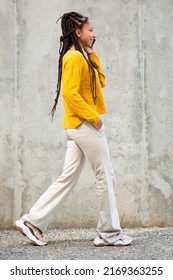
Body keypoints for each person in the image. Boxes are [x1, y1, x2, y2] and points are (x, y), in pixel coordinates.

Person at [15, 12, 133, 247]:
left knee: (66, 178)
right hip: (84, 125)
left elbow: (101, 82)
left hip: (75, 126)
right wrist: (94, 118)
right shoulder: (74, 58)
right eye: (90, 30)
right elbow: (70, 94)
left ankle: (32, 222)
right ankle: (109, 233)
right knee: (105, 176)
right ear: (78, 32)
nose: (94, 34)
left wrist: (92, 54)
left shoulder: (81, 57)